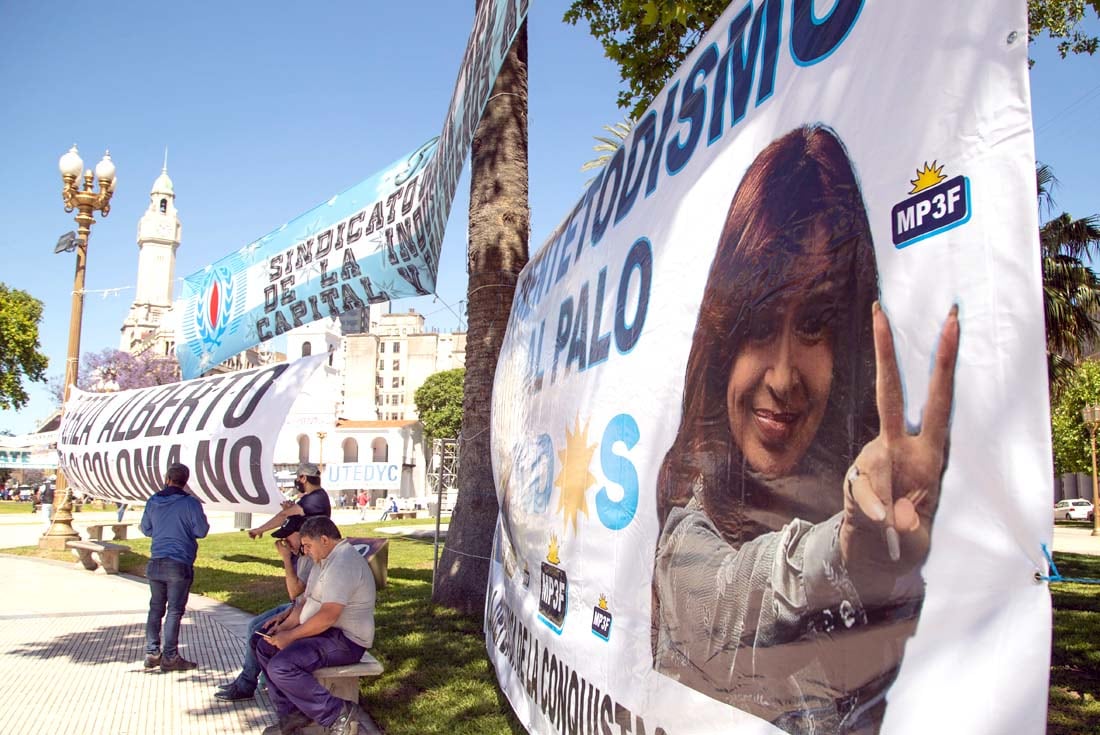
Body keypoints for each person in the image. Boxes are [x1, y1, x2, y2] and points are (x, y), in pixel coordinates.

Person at [652, 124, 960, 734]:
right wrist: (846, 545)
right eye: (760, 325)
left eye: (816, 323)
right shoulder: (688, 532)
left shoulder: (887, 511)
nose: (785, 376)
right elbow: (736, 595)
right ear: (721, 339)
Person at [254, 516, 375, 735]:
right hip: (326, 633)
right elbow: (307, 603)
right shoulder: (325, 561)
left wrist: (290, 637)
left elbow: (328, 616)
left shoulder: (343, 563)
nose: (306, 551)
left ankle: (338, 713)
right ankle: (292, 716)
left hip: (347, 640)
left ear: (325, 540)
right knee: (263, 645)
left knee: (282, 666)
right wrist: (285, 627)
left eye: (308, 546)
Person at [215, 514, 317, 701]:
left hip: (304, 610)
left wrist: (286, 559)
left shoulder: (309, 557)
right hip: (295, 607)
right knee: (254, 625)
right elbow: (295, 597)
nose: (284, 542)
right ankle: (249, 681)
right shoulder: (301, 556)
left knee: (259, 633)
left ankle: (247, 685)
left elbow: (294, 592)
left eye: (288, 537)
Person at [141, 463, 210, 671]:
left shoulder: (153, 501)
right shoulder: (191, 503)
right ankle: (170, 656)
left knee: (155, 609)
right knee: (174, 611)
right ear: (185, 481)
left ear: (167, 478)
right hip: (179, 562)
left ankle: (152, 652)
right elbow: (201, 530)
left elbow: (146, 528)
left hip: (156, 561)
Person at [250, 463, 331, 539]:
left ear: (304, 478)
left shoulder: (313, 499)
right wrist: (289, 510)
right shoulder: (319, 495)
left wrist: (260, 529)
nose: (297, 480)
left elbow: (284, 515)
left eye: (298, 477)